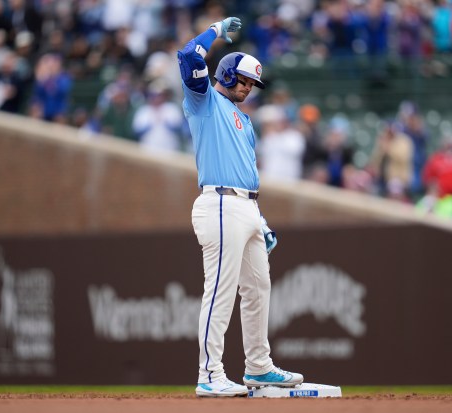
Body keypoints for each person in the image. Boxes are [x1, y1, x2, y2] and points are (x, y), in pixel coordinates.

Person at [177, 16, 303, 397]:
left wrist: (260, 221)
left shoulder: (245, 122)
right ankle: (209, 372)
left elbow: (247, 174)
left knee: (258, 286)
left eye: (252, 84)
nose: (248, 88)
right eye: (244, 80)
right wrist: (215, 30)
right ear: (228, 75)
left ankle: (258, 366)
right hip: (217, 202)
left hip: (245, 206)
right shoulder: (204, 101)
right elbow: (187, 56)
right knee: (220, 289)